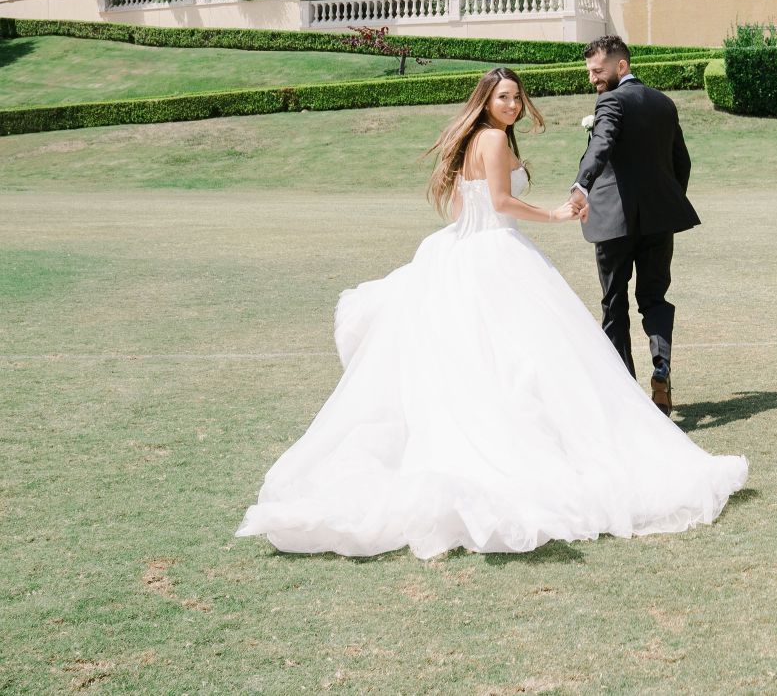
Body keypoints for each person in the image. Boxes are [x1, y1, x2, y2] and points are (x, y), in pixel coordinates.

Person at [236, 67, 746, 559]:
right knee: (532, 356)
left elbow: (466, 207)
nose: (513, 105)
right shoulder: (496, 140)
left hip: (463, 249)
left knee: (490, 361)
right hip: (497, 252)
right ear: (485, 100)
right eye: (504, 97)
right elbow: (501, 200)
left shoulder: (472, 139)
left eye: (517, 97)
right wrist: (553, 212)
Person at [571, 37, 698, 416]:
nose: (593, 79)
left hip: (613, 221)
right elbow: (683, 162)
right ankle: (661, 367)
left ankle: (625, 397)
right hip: (659, 221)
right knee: (654, 299)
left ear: (621, 67)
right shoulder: (664, 102)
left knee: (614, 303)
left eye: (598, 71)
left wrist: (582, 184)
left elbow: (602, 144)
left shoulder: (611, 101)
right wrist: (666, 201)